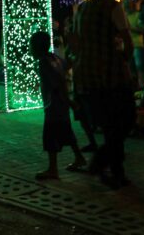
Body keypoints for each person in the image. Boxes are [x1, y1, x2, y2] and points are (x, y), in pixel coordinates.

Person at [70, 0, 135, 189]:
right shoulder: (113, 7)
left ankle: (115, 170)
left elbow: (77, 41)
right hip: (111, 72)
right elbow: (127, 39)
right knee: (124, 121)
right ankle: (104, 164)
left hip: (87, 72)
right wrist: (126, 60)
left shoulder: (82, 9)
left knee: (108, 124)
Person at [31, 31, 86, 180]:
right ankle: (79, 157)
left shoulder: (43, 62)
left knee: (50, 137)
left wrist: (69, 101)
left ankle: (53, 169)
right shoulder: (55, 58)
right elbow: (66, 69)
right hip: (61, 104)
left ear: (36, 47)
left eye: (31, 46)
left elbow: (56, 85)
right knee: (66, 131)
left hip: (53, 104)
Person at [124, 0, 144, 88]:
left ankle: (143, 86)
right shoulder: (124, 17)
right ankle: (135, 86)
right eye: (125, 5)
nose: (126, 7)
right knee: (131, 67)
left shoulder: (138, 15)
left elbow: (142, 30)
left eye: (127, 5)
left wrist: (129, 29)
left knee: (140, 66)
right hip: (128, 45)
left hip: (138, 45)